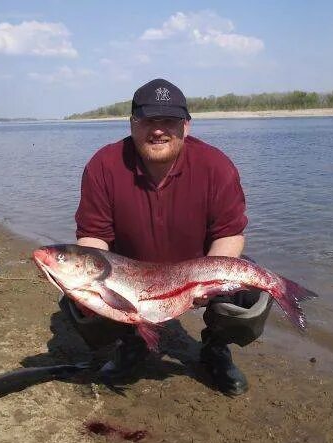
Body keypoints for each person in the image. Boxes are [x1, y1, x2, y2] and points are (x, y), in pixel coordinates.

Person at [60, 78, 273, 396]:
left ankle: (215, 348)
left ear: (186, 126)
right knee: (78, 297)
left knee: (250, 293)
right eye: (148, 120)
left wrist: (208, 280)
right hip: (130, 277)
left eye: (169, 121)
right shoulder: (103, 166)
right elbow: (93, 236)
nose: (158, 130)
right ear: (132, 123)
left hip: (196, 272)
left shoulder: (216, 166)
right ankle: (130, 343)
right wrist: (88, 284)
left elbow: (229, 233)